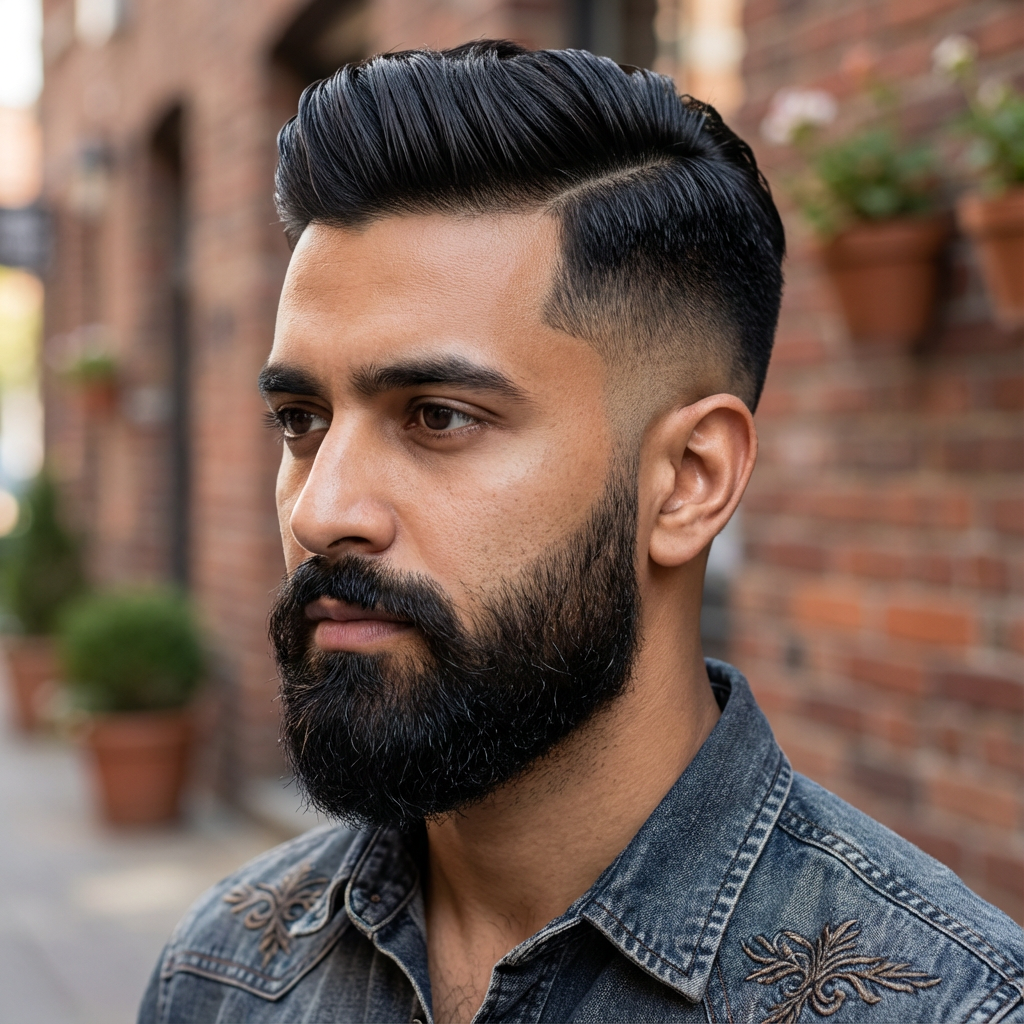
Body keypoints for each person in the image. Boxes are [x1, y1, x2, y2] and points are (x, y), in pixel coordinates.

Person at [139, 41, 1023, 1024]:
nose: (319, 511)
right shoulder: (222, 974)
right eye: (301, 421)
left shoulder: (951, 1007)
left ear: (688, 481)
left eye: (438, 416)